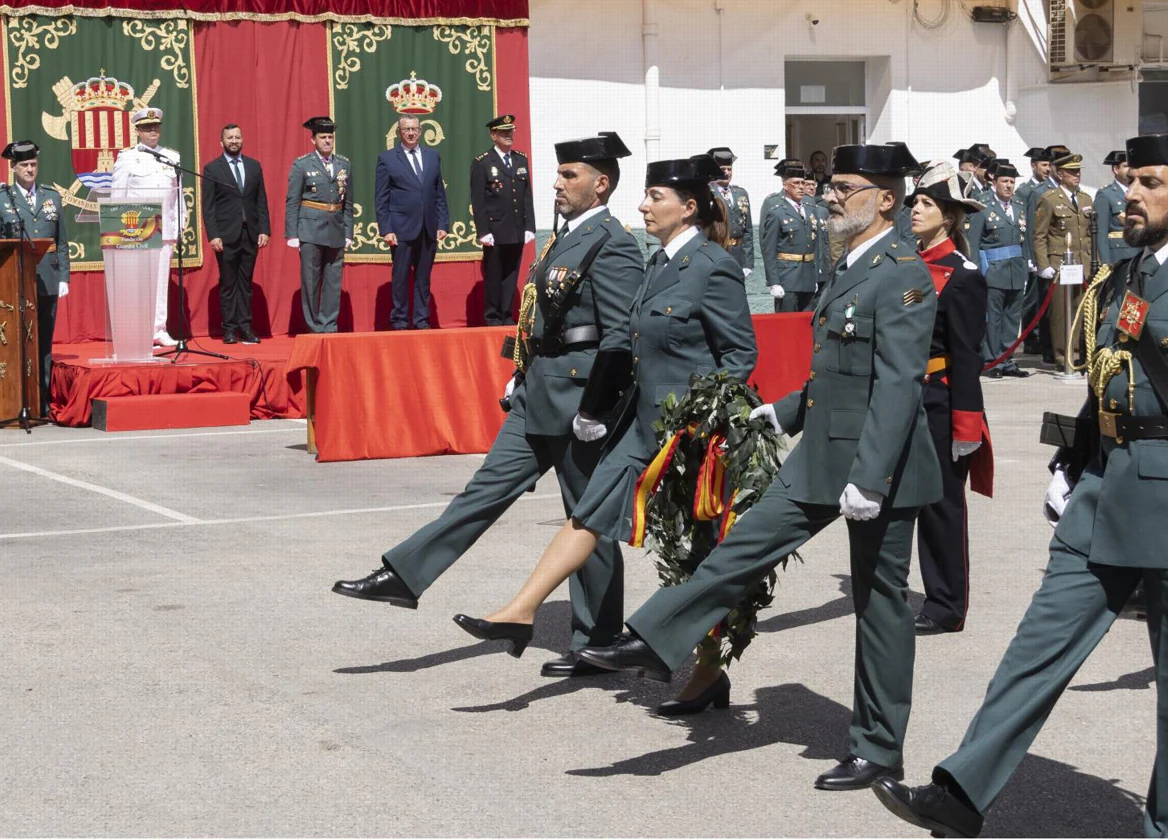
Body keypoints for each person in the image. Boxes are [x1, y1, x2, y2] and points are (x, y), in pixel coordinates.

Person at [577, 142, 944, 792]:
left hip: (878, 467)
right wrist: (786, 411)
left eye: (845, 187)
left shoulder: (903, 273)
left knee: (880, 604)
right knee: (744, 546)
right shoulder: (851, 262)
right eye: (830, 186)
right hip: (822, 451)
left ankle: (879, 749)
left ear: (885, 199)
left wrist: (872, 476)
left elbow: (897, 383)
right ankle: (657, 636)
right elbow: (839, 368)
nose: (830, 196)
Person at [871, 128, 1168, 839]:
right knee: (1035, 648)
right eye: (1132, 182)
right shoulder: (1131, 269)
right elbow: (1118, 376)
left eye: (1151, 183)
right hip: (1105, 495)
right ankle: (962, 791)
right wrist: (1074, 459)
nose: (1132, 195)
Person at [450, 154, 758, 708]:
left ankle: (709, 669)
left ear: (688, 208)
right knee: (588, 515)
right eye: (643, 196)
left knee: (703, 554)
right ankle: (521, 611)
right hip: (641, 425)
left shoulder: (714, 266)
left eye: (655, 198)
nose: (643, 206)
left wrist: (703, 421)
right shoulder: (658, 262)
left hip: (692, 437)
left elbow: (739, 355)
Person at [333, 132, 643, 679]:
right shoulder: (563, 236)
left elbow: (620, 336)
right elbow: (540, 316)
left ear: (601, 184)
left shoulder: (611, 241)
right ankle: (406, 575)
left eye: (569, 175)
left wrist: (597, 409)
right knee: (482, 491)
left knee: (585, 518)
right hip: (535, 393)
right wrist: (520, 370)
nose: (556, 183)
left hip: (578, 400)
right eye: (560, 173)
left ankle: (597, 638)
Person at [907, 162, 992, 636]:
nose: (916, 210)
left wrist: (966, 425)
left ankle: (945, 603)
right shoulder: (904, 264)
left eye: (927, 204)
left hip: (939, 399)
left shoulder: (963, 276)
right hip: (902, 397)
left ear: (950, 216)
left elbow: (966, 356)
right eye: (915, 202)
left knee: (941, 505)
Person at [0, 141, 68, 414]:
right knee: (15, 341)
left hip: (47, 278)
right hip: (13, 281)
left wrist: (64, 276)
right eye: (24, 165)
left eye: (33, 165)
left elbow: (62, 240)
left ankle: (41, 403)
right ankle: (14, 401)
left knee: (44, 341)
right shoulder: (3, 199)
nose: (30, 170)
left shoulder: (52, 197)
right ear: (13, 167)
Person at [111, 107, 188, 348]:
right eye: (146, 128)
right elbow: (117, 197)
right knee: (138, 283)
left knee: (161, 282)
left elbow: (178, 196)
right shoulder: (127, 158)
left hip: (164, 228)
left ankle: (159, 328)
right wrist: (121, 233)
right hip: (137, 230)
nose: (152, 131)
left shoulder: (171, 157)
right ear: (137, 131)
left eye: (155, 127)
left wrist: (179, 224)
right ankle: (138, 331)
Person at [376, 112, 449, 330]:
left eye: (414, 129)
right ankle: (399, 320)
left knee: (423, 278)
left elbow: (439, 193)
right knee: (400, 279)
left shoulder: (432, 156)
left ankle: (421, 320)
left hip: (428, 227)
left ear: (420, 130)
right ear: (399, 132)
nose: (411, 133)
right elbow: (381, 198)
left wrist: (443, 223)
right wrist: (386, 229)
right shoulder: (387, 159)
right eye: (406, 129)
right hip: (400, 229)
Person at [202, 123, 270, 344]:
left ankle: (245, 326)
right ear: (222, 142)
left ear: (242, 139)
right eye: (230, 138)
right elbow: (208, 206)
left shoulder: (253, 166)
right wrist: (213, 235)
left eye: (237, 137)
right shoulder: (213, 168)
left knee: (246, 282)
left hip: (250, 233)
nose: (234, 141)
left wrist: (264, 229)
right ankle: (230, 328)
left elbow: (261, 201)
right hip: (225, 235)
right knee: (229, 283)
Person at [285, 117, 352, 334]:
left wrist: (348, 231)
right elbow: (292, 200)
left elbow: (348, 201)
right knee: (311, 281)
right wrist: (292, 233)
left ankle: (329, 324)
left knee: (333, 281)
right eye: (322, 137)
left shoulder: (344, 164)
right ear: (313, 139)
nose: (327, 141)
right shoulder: (302, 164)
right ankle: (314, 325)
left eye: (330, 137)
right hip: (310, 229)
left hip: (336, 227)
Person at [967, 159, 1032, 378]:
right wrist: (975, 271)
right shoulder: (983, 205)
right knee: (992, 319)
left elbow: (1027, 237)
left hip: (1016, 268)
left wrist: (1029, 261)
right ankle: (993, 361)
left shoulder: (1020, 204)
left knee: (1013, 318)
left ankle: (1008, 360)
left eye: (1012, 181)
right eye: (1005, 181)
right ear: (995, 182)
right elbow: (973, 242)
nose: (1009, 186)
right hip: (993, 270)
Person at [470, 114, 535, 326]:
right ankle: (493, 316)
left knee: (511, 274)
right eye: (503, 132)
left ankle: (507, 314)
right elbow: (478, 200)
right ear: (493, 135)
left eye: (511, 131)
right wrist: (483, 231)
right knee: (494, 274)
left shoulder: (520, 159)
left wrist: (529, 226)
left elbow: (526, 195)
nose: (508, 135)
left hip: (516, 228)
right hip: (495, 229)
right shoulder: (483, 162)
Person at [1033, 150, 1093, 371]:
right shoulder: (1049, 200)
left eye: (1078, 172)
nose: (1076, 175)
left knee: (1081, 311)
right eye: (1071, 172)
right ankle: (1063, 356)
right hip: (1060, 264)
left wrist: (1094, 262)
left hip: (1083, 263)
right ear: (1059, 174)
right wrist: (1044, 264)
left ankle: (1078, 354)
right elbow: (1039, 235)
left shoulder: (1086, 198)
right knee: (1061, 314)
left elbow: (1089, 234)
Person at [1021, 144, 1070, 362]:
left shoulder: (1071, 192)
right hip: (1048, 258)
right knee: (1046, 305)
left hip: (1068, 259)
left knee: (1065, 306)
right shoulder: (1038, 192)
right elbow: (1035, 229)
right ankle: (1048, 347)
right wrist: (1037, 261)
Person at [760, 161, 820, 311]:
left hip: (808, 276)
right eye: (796, 183)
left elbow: (816, 244)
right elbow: (769, 250)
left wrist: (816, 275)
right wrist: (774, 282)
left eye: (802, 183)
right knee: (786, 325)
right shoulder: (777, 212)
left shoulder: (810, 209)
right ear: (785, 186)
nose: (801, 186)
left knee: (806, 324)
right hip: (787, 277)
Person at [708, 146, 754, 277]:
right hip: (717, 251)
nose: (727, 173)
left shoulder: (741, 193)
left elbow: (748, 230)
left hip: (738, 255)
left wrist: (748, 263)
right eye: (723, 169)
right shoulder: (707, 193)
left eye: (729, 169)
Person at [1095, 150, 1138, 268]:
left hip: (1140, 253)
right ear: (1115, 169)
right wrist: (1105, 262)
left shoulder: (1140, 192)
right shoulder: (1106, 194)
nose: (1130, 169)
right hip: (1118, 255)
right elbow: (1101, 232)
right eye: (1125, 166)